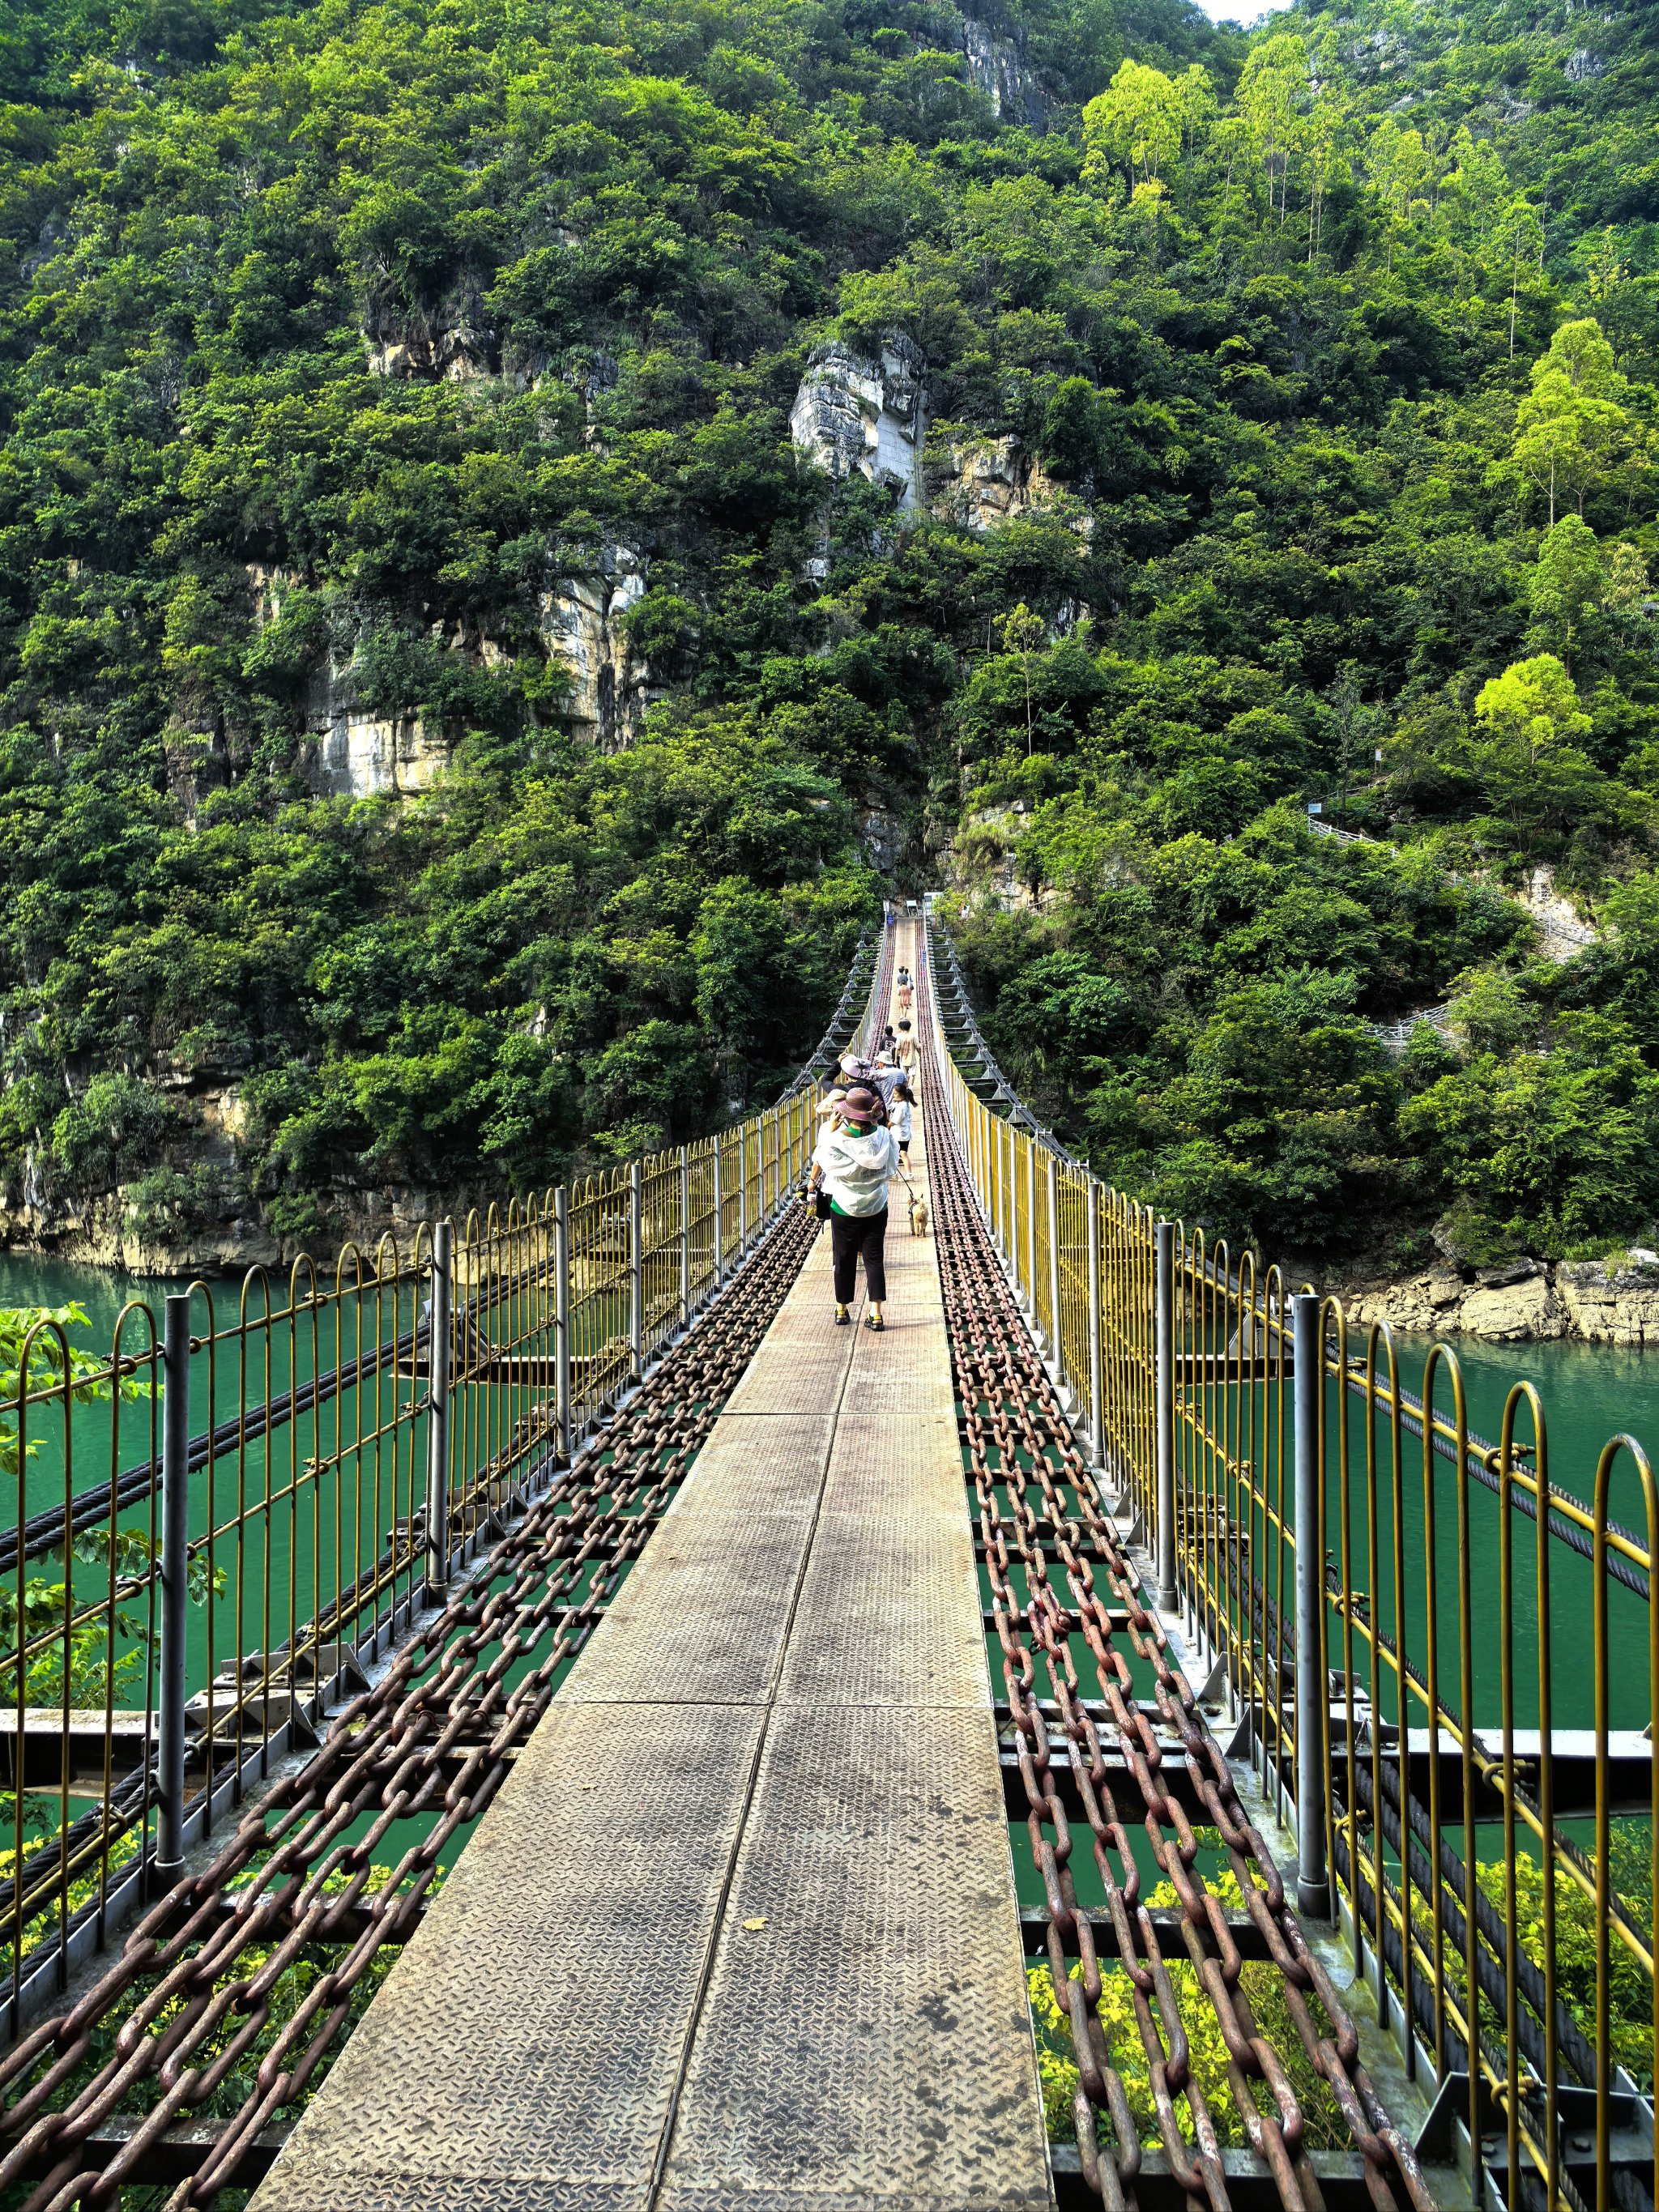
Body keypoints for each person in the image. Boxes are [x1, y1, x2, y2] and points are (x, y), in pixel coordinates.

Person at [808, 1085, 901, 1330]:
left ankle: (842, 1309)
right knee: (874, 1258)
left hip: (844, 1207)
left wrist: (829, 1131)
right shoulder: (885, 1136)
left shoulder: (837, 1140)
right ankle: (876, 1313)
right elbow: (891, 1168)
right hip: (877, 1207)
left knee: (843, 1257)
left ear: (847, 1114)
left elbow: (824, 1162)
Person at [890, 1081, 914, 1159]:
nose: (893, 1095)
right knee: (903, 1152)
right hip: (904, 1133)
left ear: (902, 1095)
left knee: (902, 1153)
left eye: (895, 1094)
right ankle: (909, 1171)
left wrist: (886, 1126)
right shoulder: (904, 1104)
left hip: (899, 1134)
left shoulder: (901, 1107)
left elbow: (894, 1121)